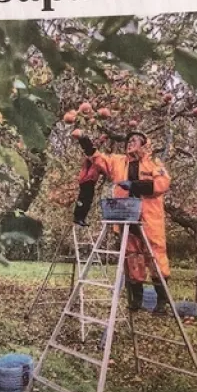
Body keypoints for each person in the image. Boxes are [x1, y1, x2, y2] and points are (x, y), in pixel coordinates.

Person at [74, 131, 171, 315]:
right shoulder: (119, 162)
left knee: (155, 257)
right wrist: (85, 142)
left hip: (149, 219)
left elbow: (162, 184)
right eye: (128, 141)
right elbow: (99, 159)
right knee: (132, 257)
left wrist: (135, 185)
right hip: (126, 216)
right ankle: (136, 299)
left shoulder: (154, 163)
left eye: (134, 140)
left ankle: (162, 301)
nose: (129, 143)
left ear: (143, 144)